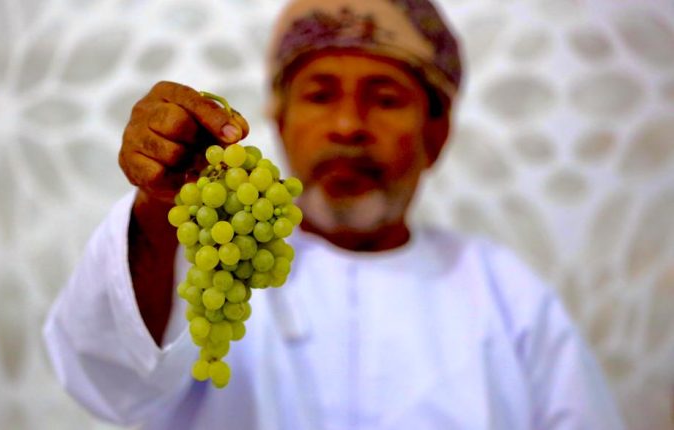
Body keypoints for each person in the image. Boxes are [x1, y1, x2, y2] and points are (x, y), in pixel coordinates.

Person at [43, 0, 625, 428]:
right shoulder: (210, 264)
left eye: (386, 98)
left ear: (437, 133)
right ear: (280, 119)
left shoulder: (511, 300)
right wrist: (157, 205)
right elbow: (110, 380)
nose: (348, 125)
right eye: (320, 94)